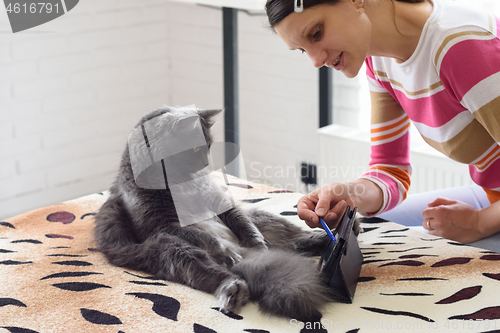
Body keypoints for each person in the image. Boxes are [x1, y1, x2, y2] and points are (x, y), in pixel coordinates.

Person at [264, 0, 500, 249]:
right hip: (490, 197)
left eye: (316, 33)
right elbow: (390, 171)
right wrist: (348, 194)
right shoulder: (378, 62)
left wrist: (479, 223)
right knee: (367, 237)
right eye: (302, 50)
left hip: (490, 212)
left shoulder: (461, 47)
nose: (315, 61)